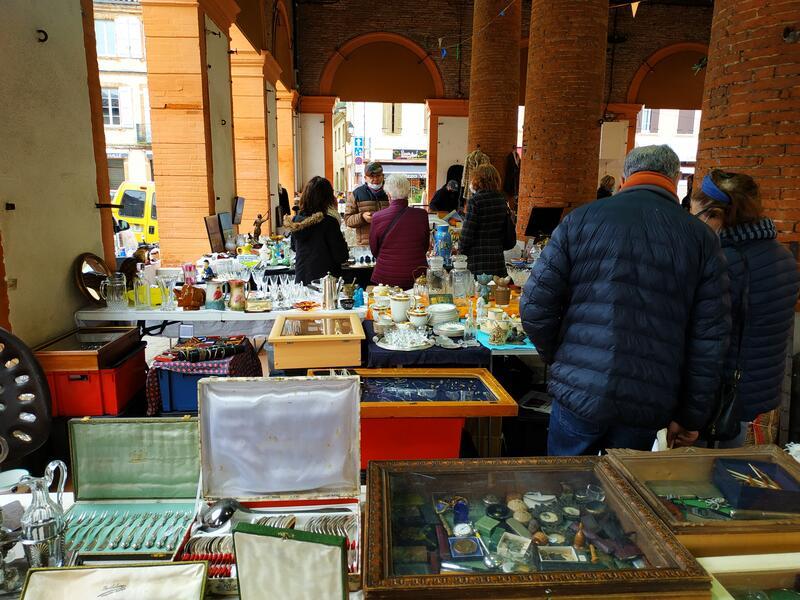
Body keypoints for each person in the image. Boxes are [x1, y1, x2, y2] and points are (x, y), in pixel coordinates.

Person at [521, 145, 730, 456]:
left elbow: (534, 306)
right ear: (675, 181)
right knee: (623, 484)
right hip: (649, 396)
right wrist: (690, 416)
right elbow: (709, 341)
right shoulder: (701, 239)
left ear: (623, 179)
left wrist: (563, 357)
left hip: (581, 389)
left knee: (565, 481)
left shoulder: (580, 220)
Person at [691, 169, 800, 447]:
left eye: (696, 215)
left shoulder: (724, 262)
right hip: (757, 390)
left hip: (717, 395)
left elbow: (706, 342)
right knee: (728, 463)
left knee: (699, 468)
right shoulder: (784, 257)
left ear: (715, 215)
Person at [283, 176, 349, 285]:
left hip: (302, 278)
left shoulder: (296, 221)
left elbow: (294, 247)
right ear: (327, 199)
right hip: (326, 282)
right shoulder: (329, 222)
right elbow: (341, 256)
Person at [369, 174, 430, 290]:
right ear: (408, 194)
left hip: (386, 276)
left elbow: (374, 249)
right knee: (418, 301)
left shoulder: (377, 217)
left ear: (388, 195)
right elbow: (425, 246)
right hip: (417, 276)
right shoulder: (421, 215)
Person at [459, 164, 509, 277]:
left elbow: (466, 235)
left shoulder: (475, 201)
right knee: (496, 287)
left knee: (479, 288)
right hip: (497, 257)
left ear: (477, 180)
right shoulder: (502, 200)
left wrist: (460, 251)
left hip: (478, 259)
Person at [345, 162, 389, 245]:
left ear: (383, 176)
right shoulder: (356, 194)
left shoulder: (390, 192)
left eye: (378, 176)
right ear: (365, 178)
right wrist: (362, 217)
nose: (375, 179)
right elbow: (347, 220)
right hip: (366, 245)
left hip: (387, 242)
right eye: (371, 176)